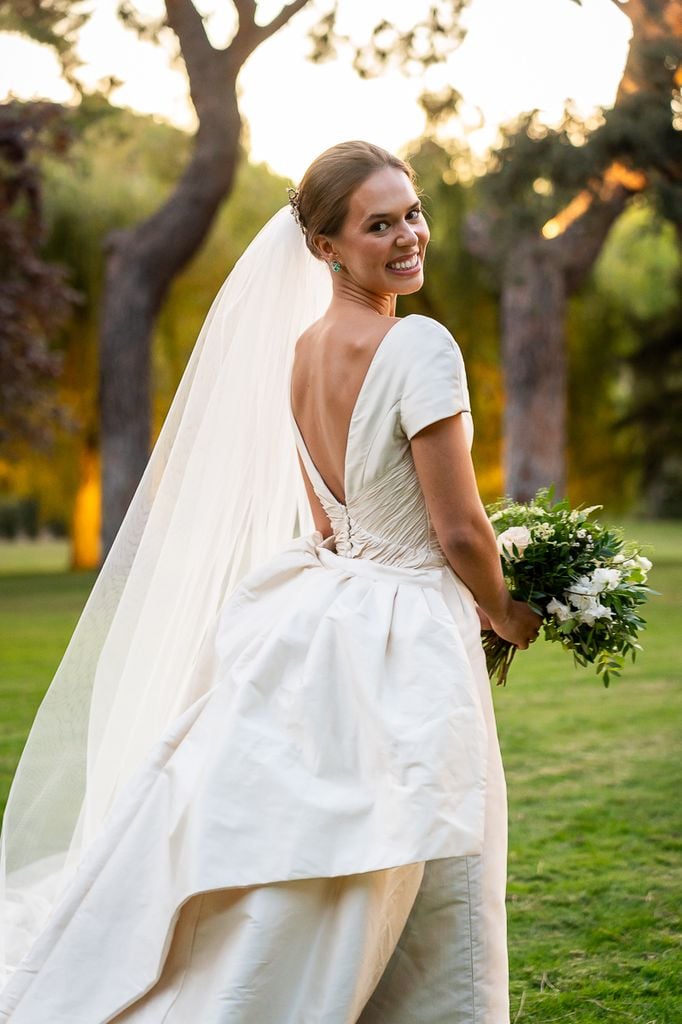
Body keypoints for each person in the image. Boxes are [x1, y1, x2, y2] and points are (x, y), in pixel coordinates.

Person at [0, 140, 541, 1023]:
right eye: (379, 223)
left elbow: (329, 520)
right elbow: (457, 528)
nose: (408, 235)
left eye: (412, 212)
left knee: (328, 837)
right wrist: (507, 611)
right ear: (325, 246)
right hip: (409, 620)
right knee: (423, 829)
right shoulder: (420, 347)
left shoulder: (301, 352)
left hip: (328, 608)